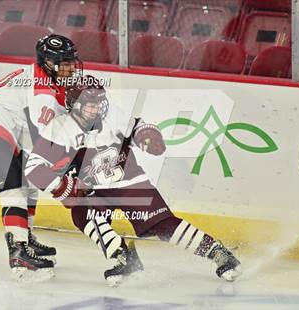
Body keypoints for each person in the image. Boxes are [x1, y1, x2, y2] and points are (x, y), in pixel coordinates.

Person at [25, 76, 242, 285]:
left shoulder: (112, 116)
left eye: (99, 103)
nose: (96, 109)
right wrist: (64, 187)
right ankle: (125, 258)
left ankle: (218, 252)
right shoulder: (59, 128)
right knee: (83, 214)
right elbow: (33, 168)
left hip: (130, 184)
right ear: (73, 104)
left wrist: (146, 134)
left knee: (164, 226)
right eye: (89, 104)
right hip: (95, 192)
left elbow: (137, 126)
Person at [0, 34, 83, 280]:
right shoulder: (43, 92)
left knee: (26, 178)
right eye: (65, 63)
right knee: (14, 186)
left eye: (72, 62)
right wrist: (69, 170)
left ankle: (26, 239)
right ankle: (19, 251)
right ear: (49, 64)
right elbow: (45, 143)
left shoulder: (44, 80)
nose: (71, 68)